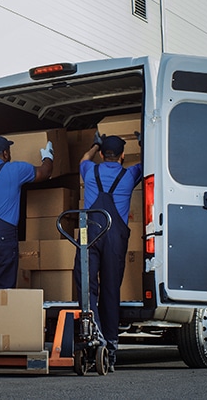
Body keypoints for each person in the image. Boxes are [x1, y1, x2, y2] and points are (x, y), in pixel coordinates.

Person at [77, 131, 143, 370]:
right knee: (110, 290)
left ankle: (93, 338)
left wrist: (95, 145)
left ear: (103, 154)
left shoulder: (89, 170)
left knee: (87, 287)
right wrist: (143, 140)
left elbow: (83, 159)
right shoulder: (129, 174)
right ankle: (111, 347)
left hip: (90, 234)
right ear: (122, 156)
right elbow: (150, 162)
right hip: (115, 237)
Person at [0, 135, 53, 289]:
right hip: (1, 240)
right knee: (1, 291)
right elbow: (45, 172)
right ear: (5, 154)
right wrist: (48, 156)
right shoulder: (15, 170)